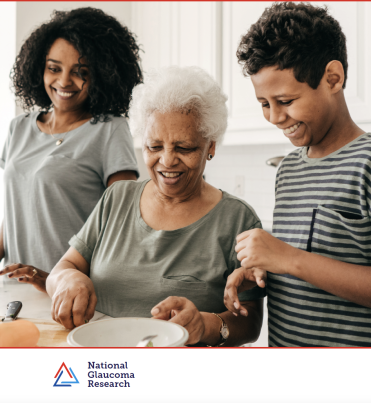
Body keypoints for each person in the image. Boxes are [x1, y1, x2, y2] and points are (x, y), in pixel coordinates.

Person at [46, 66, 265, 347]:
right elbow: (63, 268)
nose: (167, 161)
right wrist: (68, 280)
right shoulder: (117, 198)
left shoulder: (238, 220)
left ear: (210, 146)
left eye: (184, 148)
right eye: (154, 146)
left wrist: (205, 324)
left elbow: (250, 323)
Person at [224, 2, 371, 347]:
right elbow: (302, 269)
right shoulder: (288, 170)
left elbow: (297, 261)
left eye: (286, 100)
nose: (275, 117)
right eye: (264, 103)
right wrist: (263, 272)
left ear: (332, 78)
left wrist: (286, 258)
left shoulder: (366, 161)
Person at [0, 7, 142, 292]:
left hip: (73, 293)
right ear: (39, 67)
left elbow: (123, 227)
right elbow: (16, 212)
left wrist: (57, 278)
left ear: (103, 74)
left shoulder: (110, 130)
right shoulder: (20, 127)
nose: (64, 81)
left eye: (81, 72)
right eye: (54, 68)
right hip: (14, 290)